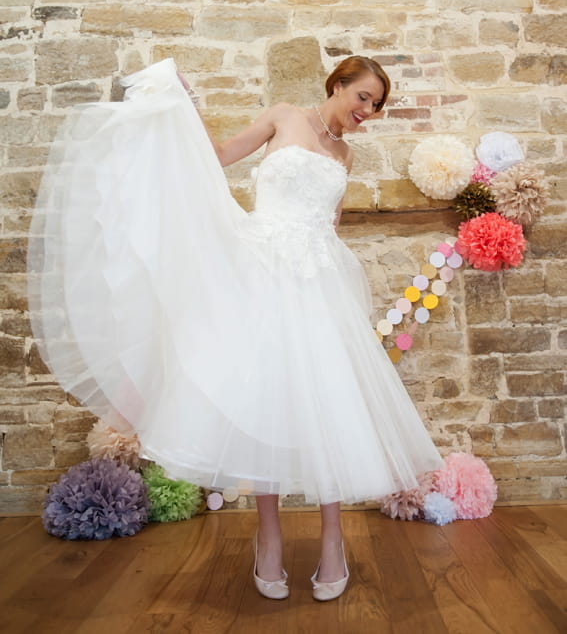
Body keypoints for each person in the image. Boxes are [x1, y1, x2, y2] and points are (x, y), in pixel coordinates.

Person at [28, 55, 443, 603]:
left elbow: (330, 223)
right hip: (258, 271)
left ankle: (332, 539)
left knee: (325, 406)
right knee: (262, 403)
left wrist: (326, 276)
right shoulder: (284, 116)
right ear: (337, 85)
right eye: (363, 97)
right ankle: (267, 539)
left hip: (317, 282)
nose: (368, 110)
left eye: (376, 105)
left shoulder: (346, 153)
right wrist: (188, 104)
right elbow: (217, 157)